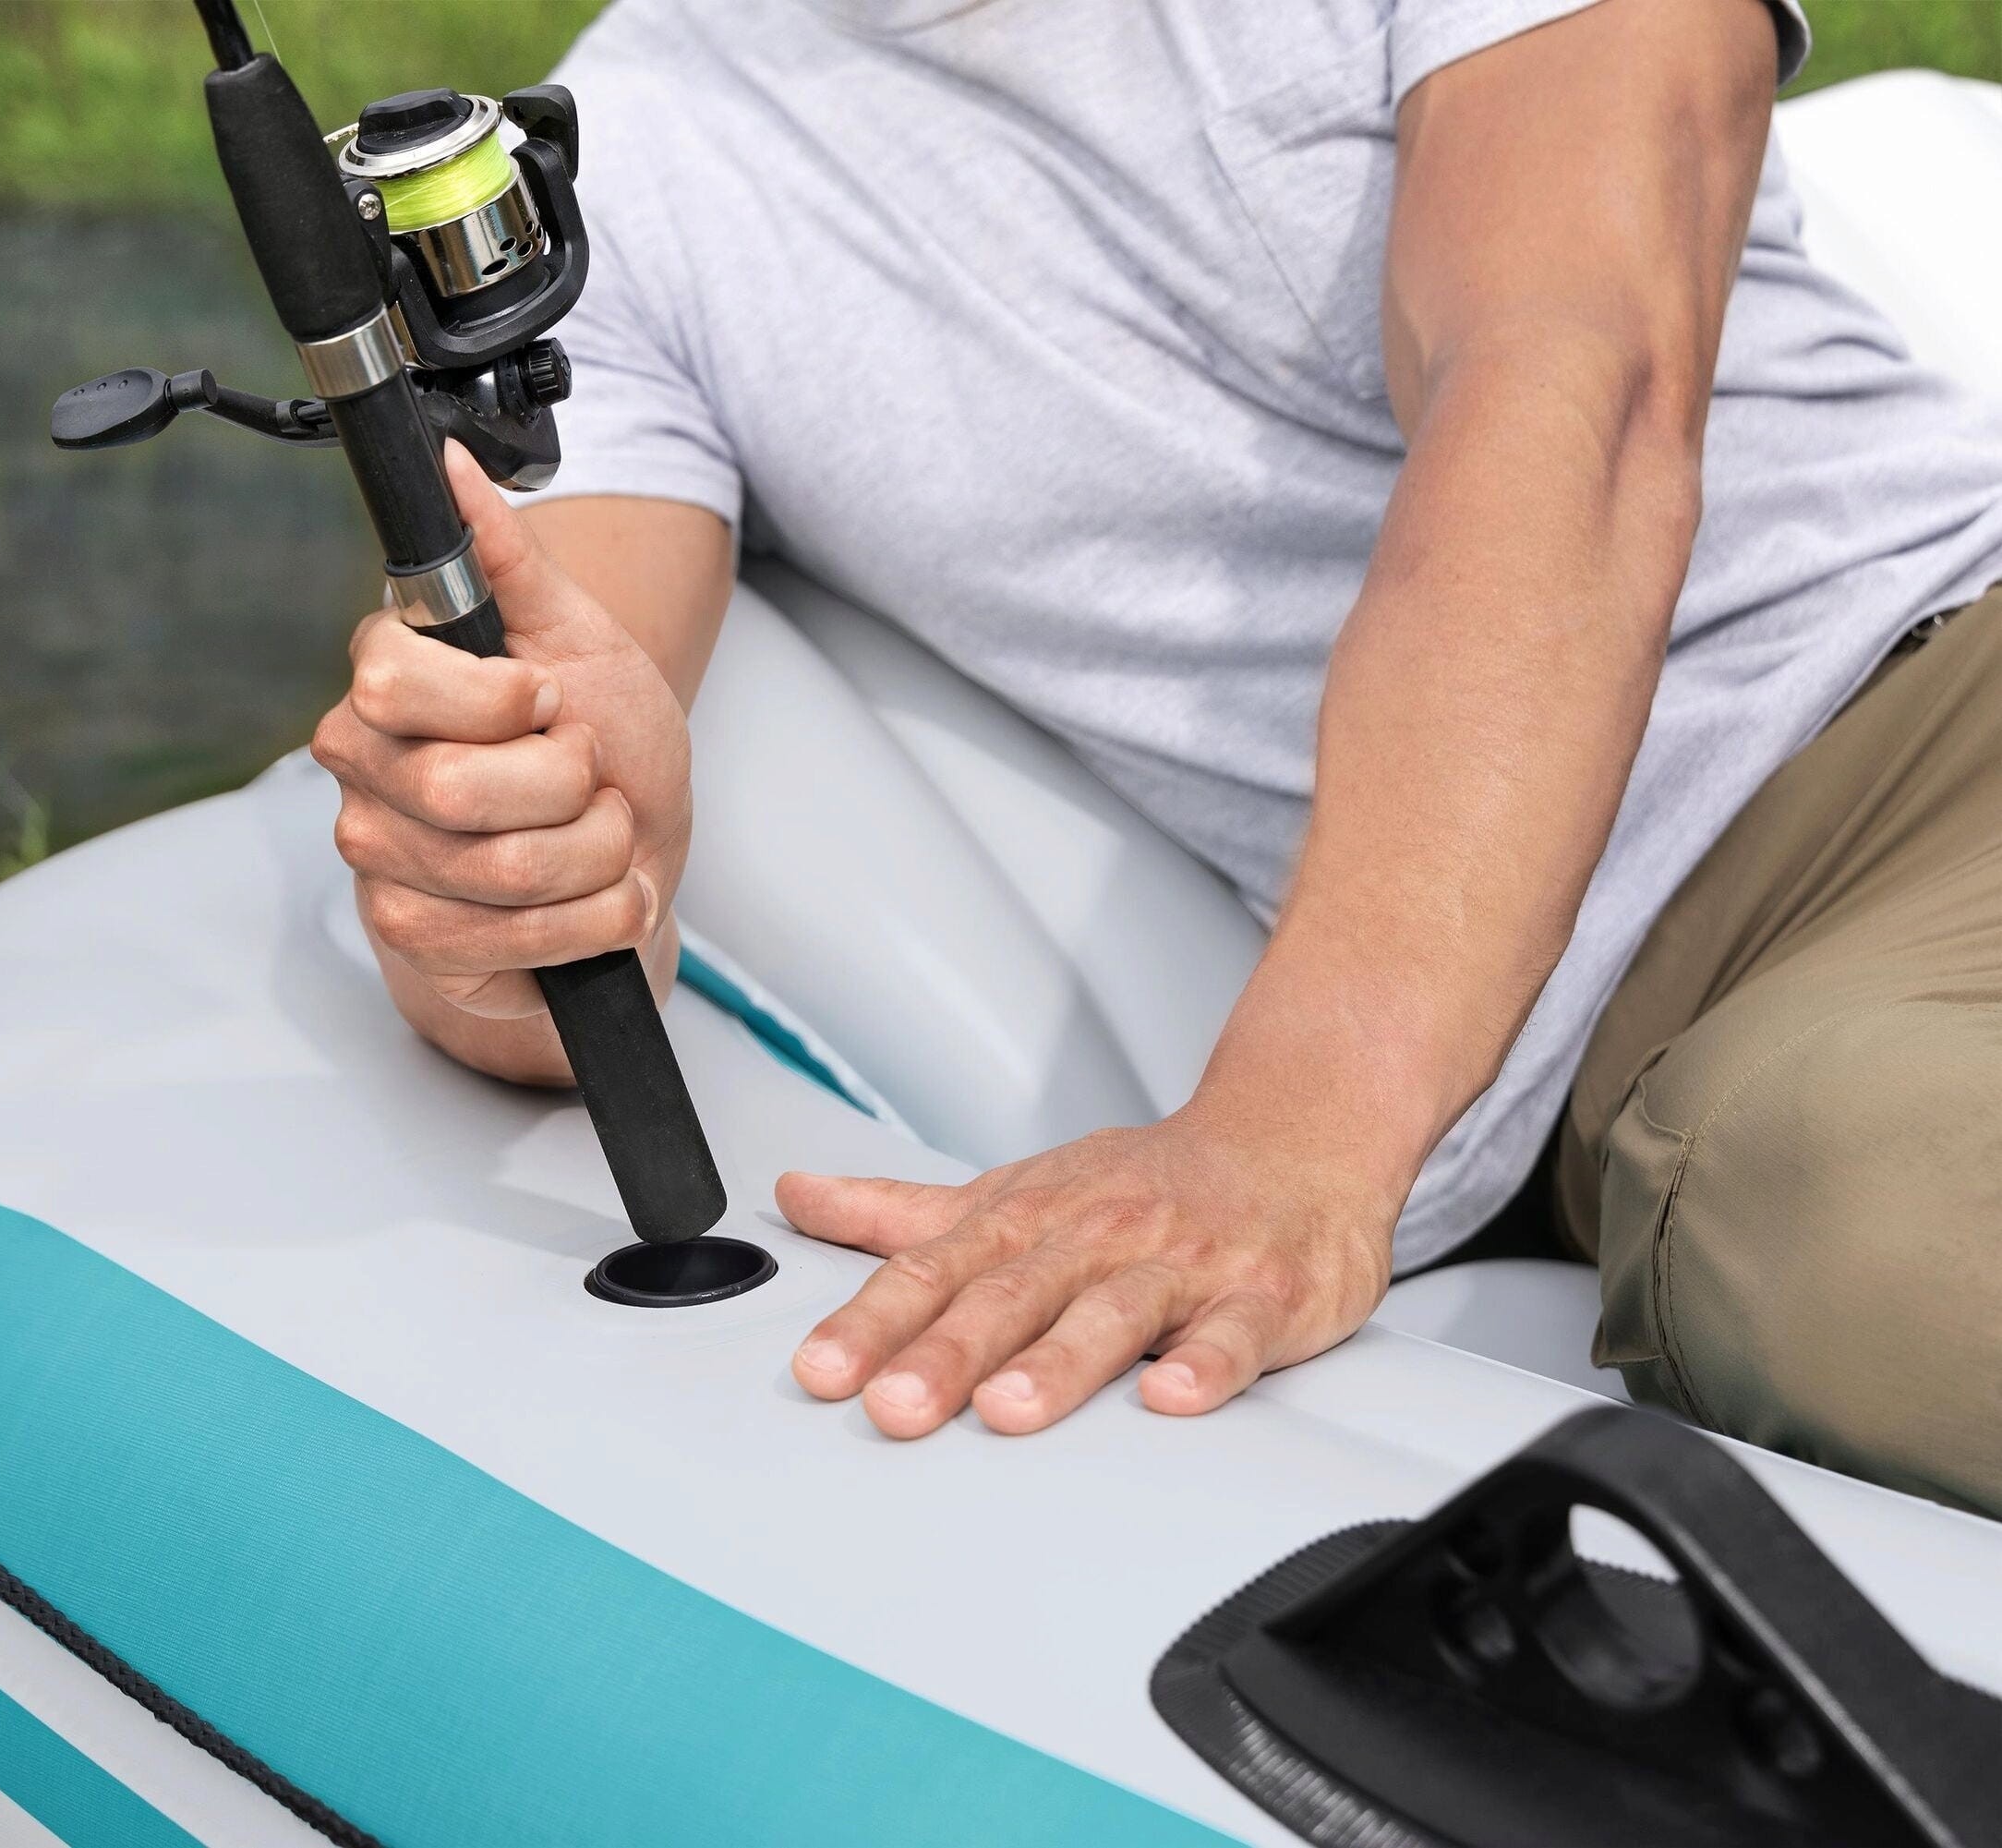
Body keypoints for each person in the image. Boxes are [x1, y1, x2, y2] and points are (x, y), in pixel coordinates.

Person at [308, 0, 2002, 1511]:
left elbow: (1578, 384)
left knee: (1846, 1227)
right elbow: (557, 743)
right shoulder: (620, 187)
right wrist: (504, 869)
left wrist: (1296, 1130)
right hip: (1588, 1069)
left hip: (1932, 738)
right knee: (1790, 1198)